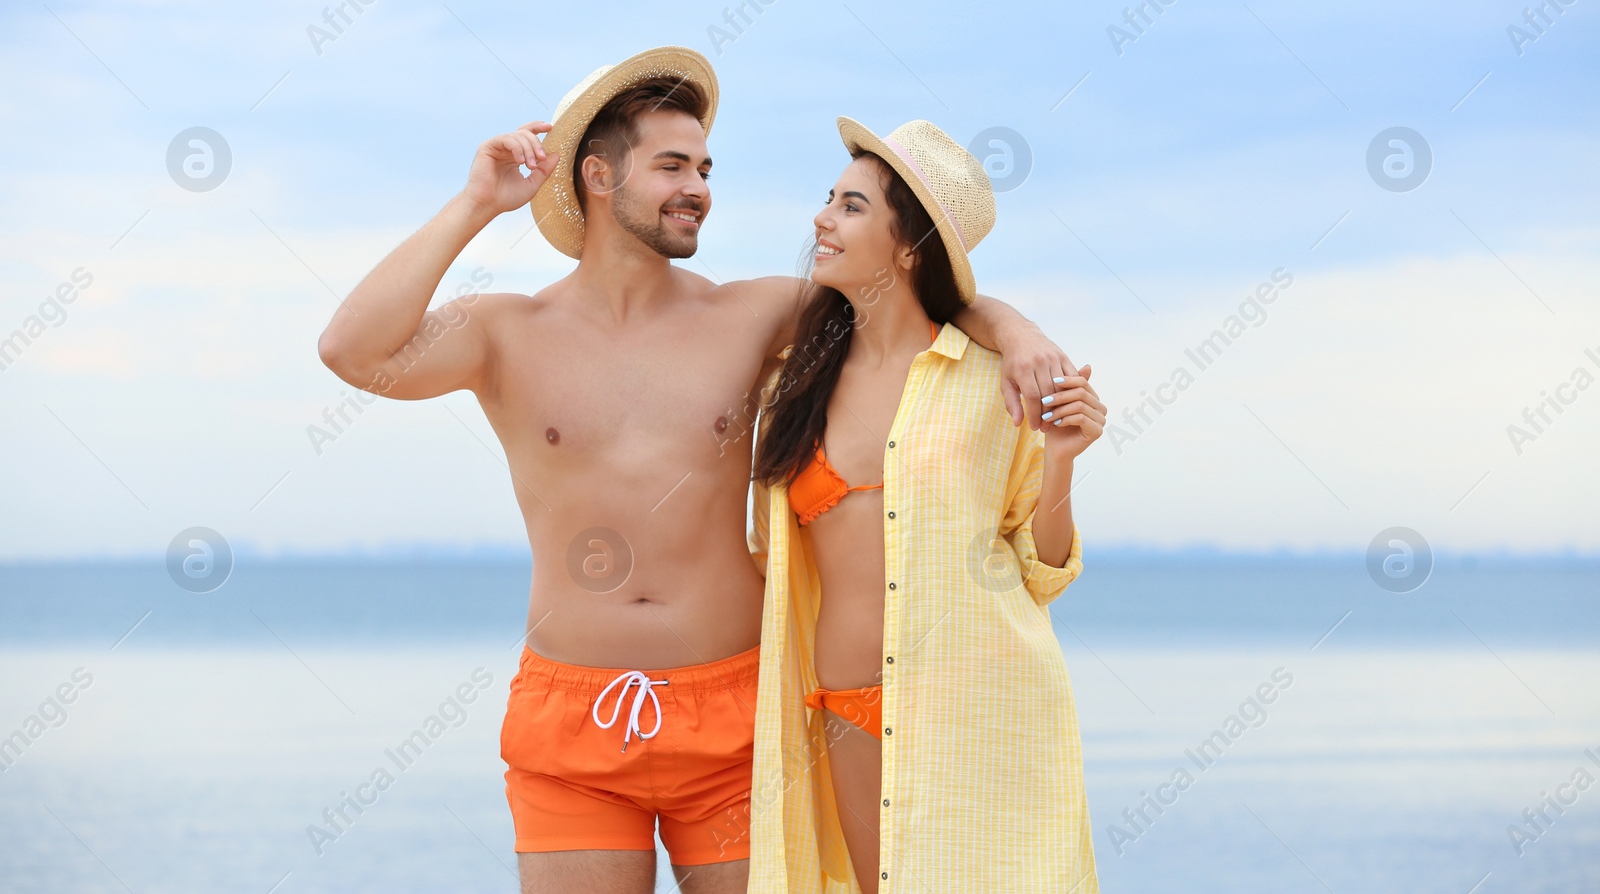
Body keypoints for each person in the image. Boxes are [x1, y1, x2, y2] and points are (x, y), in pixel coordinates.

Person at [316, 47, 1079, 894]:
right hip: (573, 722)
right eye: (673, 164)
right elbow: (352, 350)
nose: (700, 187)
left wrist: (1018, 333)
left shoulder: (747, 314)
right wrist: (475, 204)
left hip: (739, 716)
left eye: (706, 167)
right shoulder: (506, 331)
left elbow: (906, 283)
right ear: (598, 175)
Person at [746, 117, 1104, 894]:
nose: (821, 219)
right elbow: (770, 559)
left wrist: (1064, 461)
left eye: (850, 206)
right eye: (829, 199)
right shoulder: (792, 383)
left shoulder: (990, 380)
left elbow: (1042, 571)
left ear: (908, 245)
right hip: (841, 698)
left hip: (975, 694)